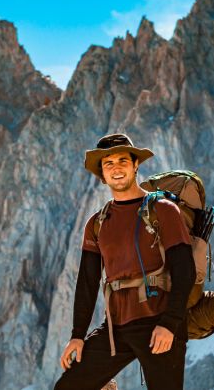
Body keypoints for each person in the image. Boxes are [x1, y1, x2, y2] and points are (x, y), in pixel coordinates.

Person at [54, 133, 196, 390]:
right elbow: (87, 283)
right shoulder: (97, 224)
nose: (116, 168)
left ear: (135, 165)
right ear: (102, 173)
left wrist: (170, 324)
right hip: (115, 330)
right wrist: (77, 335)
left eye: (122, 160)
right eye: (109, 163)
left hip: (159, 323)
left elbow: (185, 270)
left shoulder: (163, 210)